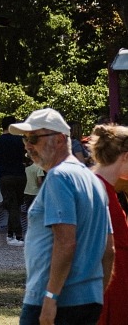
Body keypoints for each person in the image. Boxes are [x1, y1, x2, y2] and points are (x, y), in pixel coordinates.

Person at [11, 108, 113, 325]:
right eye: (25, 140)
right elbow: (108, 250)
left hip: (54, 302)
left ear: (59, 140)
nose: (28, 146)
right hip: (88, 302)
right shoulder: (93, 179)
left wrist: (50, 298)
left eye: (34, 138)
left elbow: (66, 241)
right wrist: (95, 294)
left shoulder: (59, 176)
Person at [88, 124, 128, 324]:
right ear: (125, 156)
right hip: (108, 288)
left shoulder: (105, 188)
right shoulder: (96, 189)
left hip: (115, 286)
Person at [0, 114, 30, 247]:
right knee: (16, 205)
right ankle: (12, 234)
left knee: (12, 206)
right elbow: (27, 156)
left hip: (5, 176)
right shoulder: (21, 141)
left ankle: (16, 235)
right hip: (20, 175)